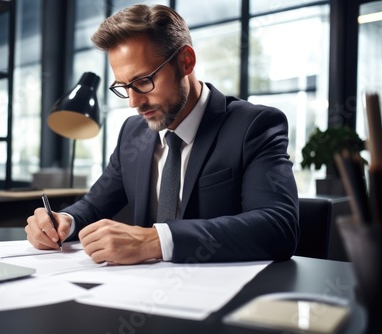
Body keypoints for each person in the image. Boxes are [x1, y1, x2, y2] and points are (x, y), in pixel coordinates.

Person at [26, 4, 299, 265]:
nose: (134, 102)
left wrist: (155, 241)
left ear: (186, 61)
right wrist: (63, 220)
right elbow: (94, 206)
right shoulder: (132, 134)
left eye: (143, 81)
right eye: (123, 87)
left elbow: (278, 226)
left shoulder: (254, 125)